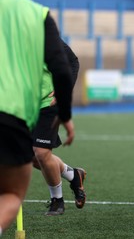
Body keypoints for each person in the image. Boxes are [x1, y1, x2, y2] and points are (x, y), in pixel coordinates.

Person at [0, 0, 74, 234]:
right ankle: (72, 175)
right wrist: (67, 115)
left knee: (40, 154)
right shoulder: (35, 15)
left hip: (41, 104)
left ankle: (59, 195)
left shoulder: (35, 21)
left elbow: (68, 65)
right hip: (16, 110)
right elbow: (62, 69)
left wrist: (60, 101)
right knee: (17, 183)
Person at [31, 41, 86, 216]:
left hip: (47, 102)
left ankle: (57, 200)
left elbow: (72, 61)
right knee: (30, 157)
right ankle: (73, 174)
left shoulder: (40, 32)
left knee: (40, 152)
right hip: (18, 106)